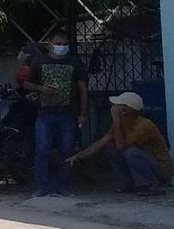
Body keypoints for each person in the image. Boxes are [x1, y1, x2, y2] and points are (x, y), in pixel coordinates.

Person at [19, 28, 88, 197]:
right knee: (42, 149)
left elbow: (83, 89)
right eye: (58, 44)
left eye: (65, 44)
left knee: (67, 150)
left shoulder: (75, 62)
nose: (62, 47)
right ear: (50, 44)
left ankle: (63, 185)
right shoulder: (39, 62)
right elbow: (27, 84)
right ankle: (42, 186)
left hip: (68, 114)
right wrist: (41, 89)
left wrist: (83, 113)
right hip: (45, 114)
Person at [67, 92, 172, 195]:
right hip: (147, 163)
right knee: (111, 150)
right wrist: (77, 156)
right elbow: (103, 141)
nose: (113, 107)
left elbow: (122, 146)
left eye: (117, 105)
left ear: (125, 110)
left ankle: (150, 185)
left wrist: (116, 118)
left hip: (161, 171)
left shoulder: (144, 125)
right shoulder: (123, 123)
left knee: (130, 152)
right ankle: (129, 184)